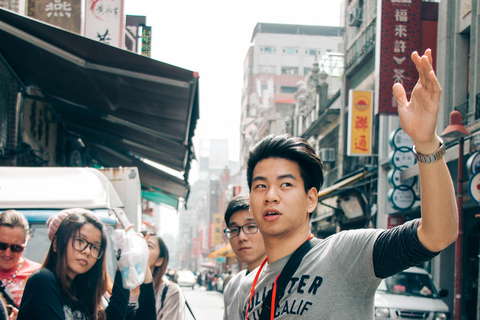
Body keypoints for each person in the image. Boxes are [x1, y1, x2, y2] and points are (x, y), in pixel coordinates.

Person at [237, 49, 458, 319]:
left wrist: (425, 143)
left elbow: (438, 234)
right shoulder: (245, 290)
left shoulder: (344, 254)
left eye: (285, 185)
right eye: (260, 186)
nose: (271, 196)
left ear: (311, 198)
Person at [17, 208, 154, 320]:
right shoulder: (43, 281)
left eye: (95, 247)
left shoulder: (83, 292)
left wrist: (132, 258)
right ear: (57, 244)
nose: (87, 251)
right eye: (80, 241)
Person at [222, 194, 266, 320]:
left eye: (251, 227)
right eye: (234, 229)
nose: (241, 237)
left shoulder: (288, 279)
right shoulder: (233, 285)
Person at [132, 231, 185, 320]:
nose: (141, 249)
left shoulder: (170, 292)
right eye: (138, 243)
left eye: (148, 246)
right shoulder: (118, 288)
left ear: (159, 261)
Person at [0, 210, 41, 315]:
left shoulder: (37, 275)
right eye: (2, 246)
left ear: (27, 241)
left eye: (16, 247)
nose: (7, 253)